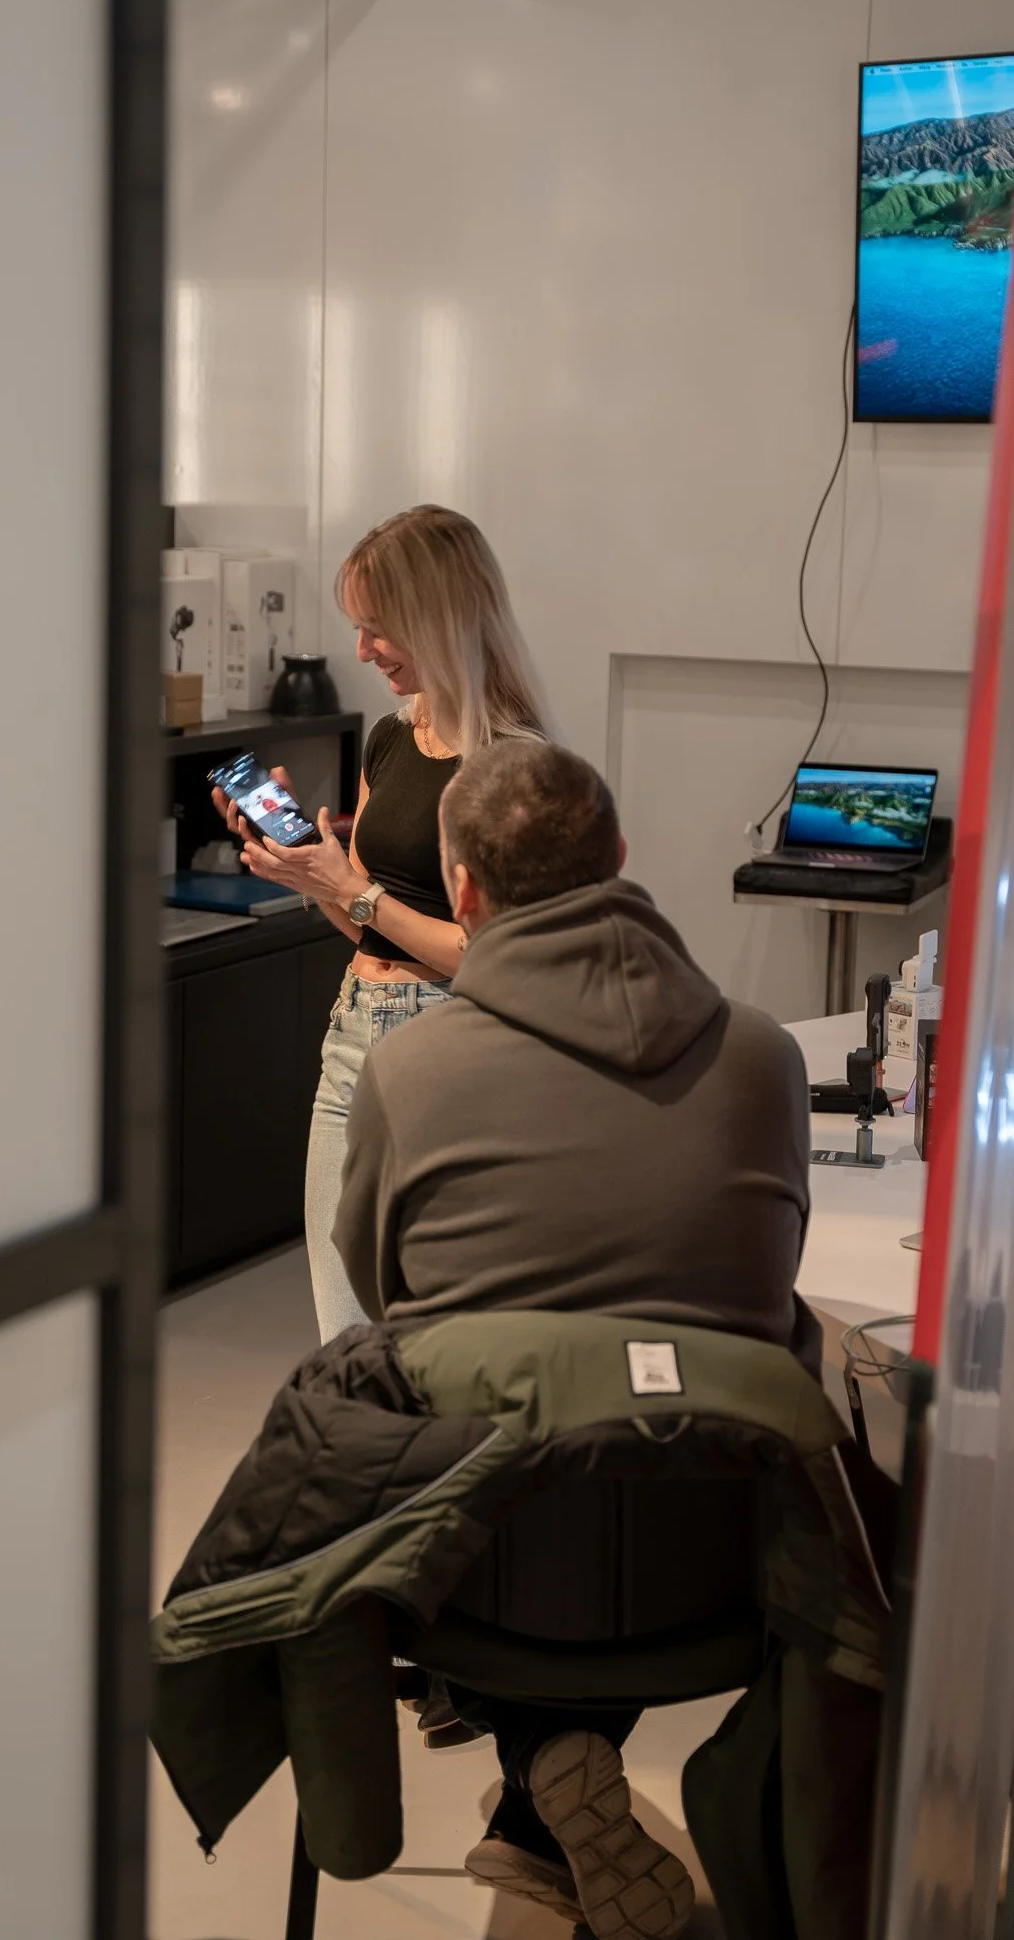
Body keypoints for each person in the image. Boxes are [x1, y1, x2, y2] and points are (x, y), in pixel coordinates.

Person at [330, 736, 816, 1931]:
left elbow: (380, 1288)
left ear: (462, 890)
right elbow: (768, 1273)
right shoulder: (765, 1055)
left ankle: (541, 1773)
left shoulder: (411, 1070)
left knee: (444, 1423)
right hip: (723, 1563)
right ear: (622, 857)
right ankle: (548, 1797)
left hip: (478, 1579)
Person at [211, 505, 555, 1341]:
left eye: (378, 628)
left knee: (436, 1335)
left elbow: (490, 958)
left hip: (452, 1051)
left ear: (440, 617)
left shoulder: (515, 764)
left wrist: (351, 890)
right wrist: (304, 869)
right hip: (352, 1041)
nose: (363, 651)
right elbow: (369, 927)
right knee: (345, 1338)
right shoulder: (391, 741)